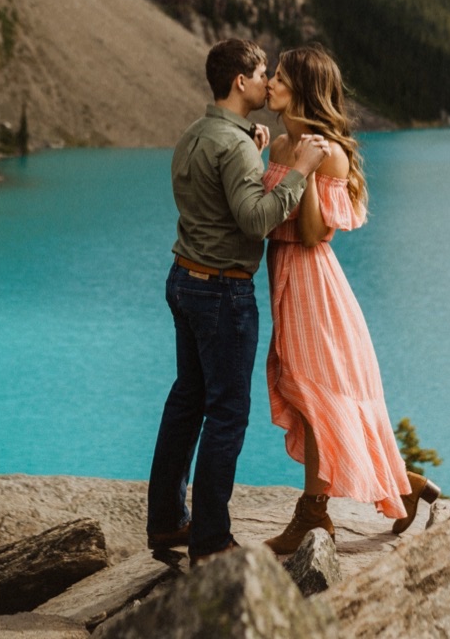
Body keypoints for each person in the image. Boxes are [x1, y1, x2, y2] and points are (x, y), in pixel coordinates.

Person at [146, 38, 331, 564]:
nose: (266, 79)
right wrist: (300, 171)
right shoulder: (235, 145)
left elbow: (212, 193)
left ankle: (166, 523)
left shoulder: (197, 134)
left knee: (187, 401)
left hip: (183, 279)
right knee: (227, 414)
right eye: (260, 72)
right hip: (222, 291)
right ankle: (210, 541)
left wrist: (252, 149)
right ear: (239, 82)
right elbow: (255, 218)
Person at [259, 44, 440, 554]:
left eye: (278, 77)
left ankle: (313, 518)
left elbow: (315, 234)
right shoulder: (275, 145)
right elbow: (263, 211)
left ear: (302, 88)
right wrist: (267, 155)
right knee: (307, 392)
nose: (270, 84)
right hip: (286, 281)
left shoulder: (329, 151)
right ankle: (407, 487)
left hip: (314, 284)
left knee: (317, 398)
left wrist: (310, 169)